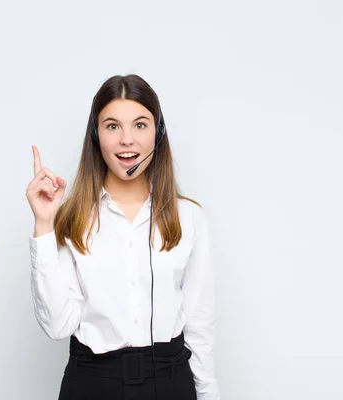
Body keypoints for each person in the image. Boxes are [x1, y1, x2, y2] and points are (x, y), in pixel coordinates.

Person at [25, 74, 219, 399]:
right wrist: (44, 226)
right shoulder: (71, 218)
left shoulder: (189, 218)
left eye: (140, 125)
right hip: (92, 382)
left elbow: (200, 326)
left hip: (170, 381)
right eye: (112, 126)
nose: (126, 139)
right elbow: (58, 326)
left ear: (157, 134)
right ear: (96, 135)